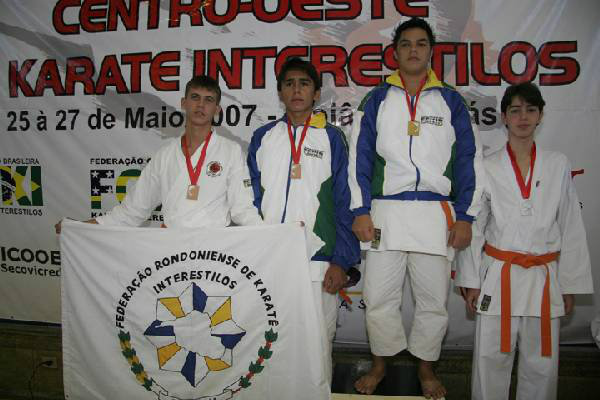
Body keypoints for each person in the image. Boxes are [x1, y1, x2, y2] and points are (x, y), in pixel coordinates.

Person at [348, 17, 482, 399]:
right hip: (386, 211)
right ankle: (380, 365)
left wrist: (465, 216)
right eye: (405, 44)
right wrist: (360, 210)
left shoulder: (451, 101)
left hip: (435, 213)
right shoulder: (377, 99)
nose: (413, 50)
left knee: (433, 302)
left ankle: (426, 369)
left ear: (431, 51)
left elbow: (469, 160)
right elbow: (359, 157)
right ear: (395, 52)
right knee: (378, 298)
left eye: (421, 43)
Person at [455, 82, 593, 400]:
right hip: (498, 274)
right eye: (515, 111)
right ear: (504, 117)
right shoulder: (488, 165)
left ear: (541, 115)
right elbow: (475, 226)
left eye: (531, 110)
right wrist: (470, 280)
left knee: (541, 363)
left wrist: (570, 283)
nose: (523, 117)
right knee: (490, 360)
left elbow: (570, 225)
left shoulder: (557, 163)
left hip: (543, 277)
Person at [247, 57, 360, 388]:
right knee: (266, 344)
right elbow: (248, 201)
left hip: (318, 263)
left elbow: (345, 202)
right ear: (280, 92)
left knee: (317, 346)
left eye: (304, 83)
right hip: (269, 262)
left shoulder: (332, 138)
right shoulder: (263, 137)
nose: (296, 90)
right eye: (289, 83)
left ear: (316, 93)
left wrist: (341, 261)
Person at [55, 75, 262, 232]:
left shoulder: (231, 151)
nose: (201, 105)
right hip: (170, 251)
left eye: (208, 100)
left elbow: (242, 210)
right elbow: (132, 211)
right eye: (195, 97)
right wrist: (79, 228)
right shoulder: (165, 155)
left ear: (217, 110)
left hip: (213, 251)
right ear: (183, 103)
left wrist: (273, 237)